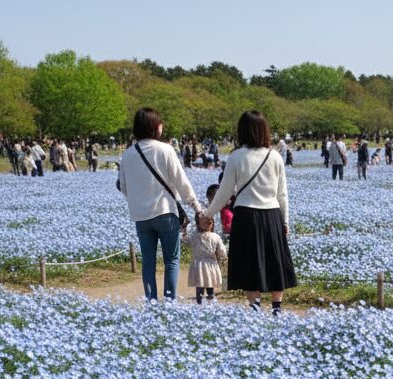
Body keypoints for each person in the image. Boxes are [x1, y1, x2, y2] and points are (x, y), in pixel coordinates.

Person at [205, 109, 296, 314]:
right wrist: (285, 221)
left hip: (246, 215)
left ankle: (254, 307)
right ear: (264, 130)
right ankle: (276, 308)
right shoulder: (275, 157)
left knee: (249, 262)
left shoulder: (236, 156)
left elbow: (225, 192)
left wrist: (208, 213)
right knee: (274, 261)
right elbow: (282, 194)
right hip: (272, 214)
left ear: (242, 131)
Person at [117, 107, 203, 302]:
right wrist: (196, 207)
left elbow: (123, 186)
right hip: (165, 213)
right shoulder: (165, 150)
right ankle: (170, 303)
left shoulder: (128, 154)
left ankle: (151, 303)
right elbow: (182, 182)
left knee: (148, 263)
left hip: (141, 216)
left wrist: (139, 199)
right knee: (171, 261)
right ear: (156, 127)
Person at [185, 213, 228, 304]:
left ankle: (199, 302)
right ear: (212, 224)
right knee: (210, 284)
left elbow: (186, 241)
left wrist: (184, 229)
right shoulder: (215, 237)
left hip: (197, 265)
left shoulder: (194, 236)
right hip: (211, 264)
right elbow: (222, 252)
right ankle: (210, 300)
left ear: (197, 224)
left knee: (199, 286)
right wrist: (223, 257)